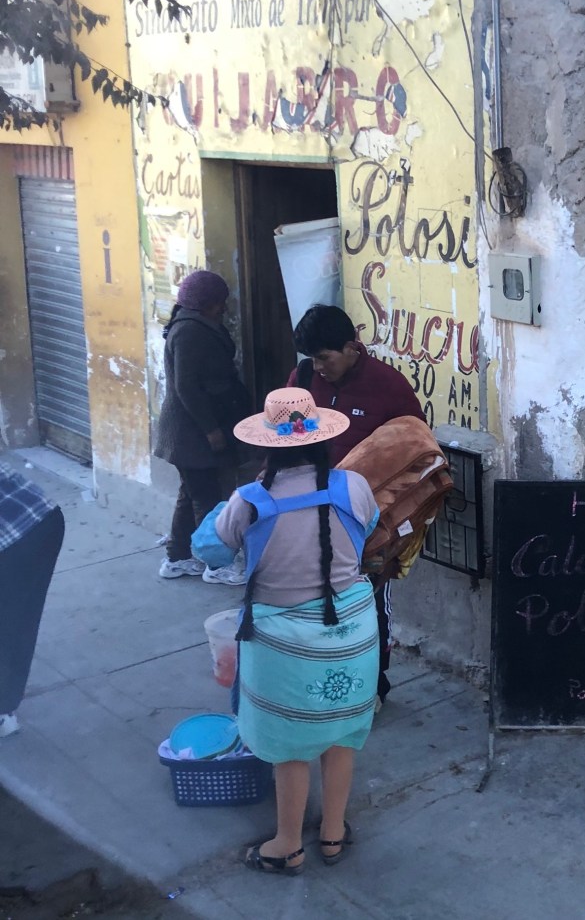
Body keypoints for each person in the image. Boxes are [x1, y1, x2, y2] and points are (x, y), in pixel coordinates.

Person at [193, 387, 379, 875]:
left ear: (266, 447)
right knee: (341, 736)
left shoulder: (250, 501)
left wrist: (228, 506)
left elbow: (209, 550)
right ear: (321, 441)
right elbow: (370, 527)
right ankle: (334, 835)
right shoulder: (353, 485)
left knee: (289, 745)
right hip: (353, 632)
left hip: (284, 641)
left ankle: (288, 845)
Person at [289, 304, 425, 708]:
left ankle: (373, 686)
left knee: (367, 602)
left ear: (352, 347)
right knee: (315, 602)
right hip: (309, 513)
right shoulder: (302, 379)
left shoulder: (389, 386)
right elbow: (284, 440)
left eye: (325, 358)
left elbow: (418, 450)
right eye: (312, 359)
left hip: (368, 522)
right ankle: (324, 679)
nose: (318, 367)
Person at [154, 269, 250, 586]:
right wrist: (211, 430)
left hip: (190, 430)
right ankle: (215, 563)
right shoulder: (190, 332)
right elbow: (187, 388)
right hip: (190, 432)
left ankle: (178, 557)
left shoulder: (194, 325)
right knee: (206, 497)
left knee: (191, 491)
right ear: (207, 304)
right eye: (220, 303)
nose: (223, 308)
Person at [0, 461, 65, 736]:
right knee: (18, 621)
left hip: (21, 533)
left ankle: (3, 712)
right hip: (44, 517)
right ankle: (6, 706)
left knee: (9, 624)